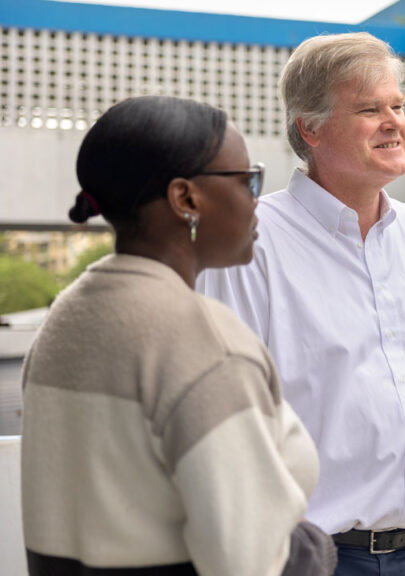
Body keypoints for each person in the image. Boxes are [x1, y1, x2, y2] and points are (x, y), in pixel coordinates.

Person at [198, 32, 405, 576]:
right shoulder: (250, 242)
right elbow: (224, 420)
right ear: (309, 128)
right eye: (368, 109)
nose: (393, 122)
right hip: (317, 559)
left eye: (398, 107)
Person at [20, 96, 337, 575]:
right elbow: (247, 563)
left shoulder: (66, 318)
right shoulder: (201, 341)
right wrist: (315, 550)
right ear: (186, 198)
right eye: (247, 180)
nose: (257, 200)